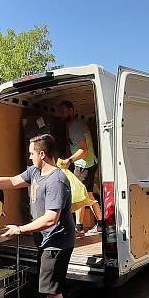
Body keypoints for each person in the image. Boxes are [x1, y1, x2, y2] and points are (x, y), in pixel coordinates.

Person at [0, 134, 73, 298]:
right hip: (45, 240)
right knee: (48, 287)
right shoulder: (35, 172)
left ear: (42, 154)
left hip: (56, 241)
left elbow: (51, 218)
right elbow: (12, 182)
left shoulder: (57, 180)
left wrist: (19, 229)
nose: (29, 155)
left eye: (32, 152)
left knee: (53, 291)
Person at [56, 101, 102, 236]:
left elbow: (84, 149)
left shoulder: (74, 126)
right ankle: (100, 223)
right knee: (88, 194)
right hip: (88, 163)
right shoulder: (76, 124)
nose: (60, 113)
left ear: (71, 111)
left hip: (83, 165)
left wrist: (69, 160)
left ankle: (79, 227)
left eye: (63, 110)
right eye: (59, 110)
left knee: (79, 195)